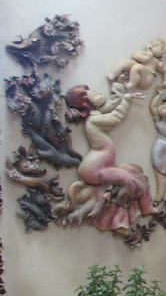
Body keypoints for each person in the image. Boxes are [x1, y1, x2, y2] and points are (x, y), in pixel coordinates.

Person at [57, 83, 156, 235]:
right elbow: (116, 117)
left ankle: (146, 207)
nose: (99, 94)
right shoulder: (93, 120)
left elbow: (110, 105)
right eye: (95, 95)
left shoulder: (96, 115)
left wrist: (120, 85)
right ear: (87, 104)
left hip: (99, 166)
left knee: (133, 170)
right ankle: (118, 222)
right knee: (130, 182)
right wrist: (126, 100)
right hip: (95, 168)